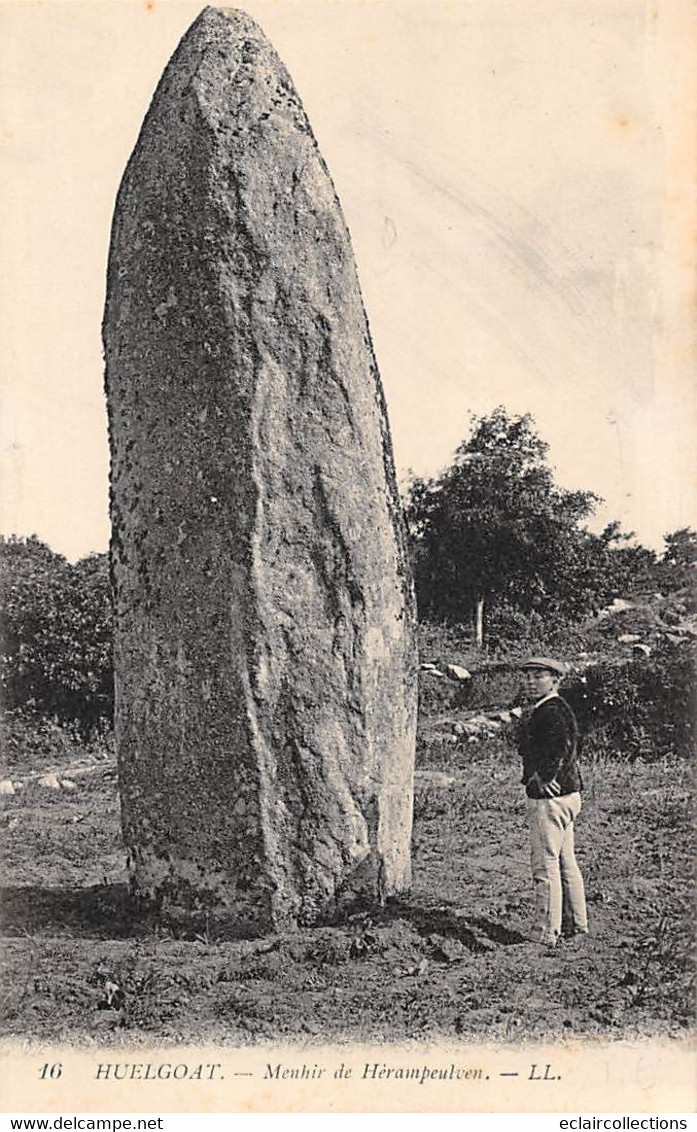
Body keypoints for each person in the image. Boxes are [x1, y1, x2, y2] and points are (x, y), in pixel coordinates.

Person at [516, 656, 588, 949]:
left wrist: (544, 777)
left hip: (551, 800)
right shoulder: (557, 707)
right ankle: (576, 923)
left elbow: (562, 746)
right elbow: (575, 744)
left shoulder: (550, 711)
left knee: (545, 866)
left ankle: (546, 931)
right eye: (528, 676)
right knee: (565, 861)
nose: (531, 682)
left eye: (539, 677)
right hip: (569, 795)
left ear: (555, 680)